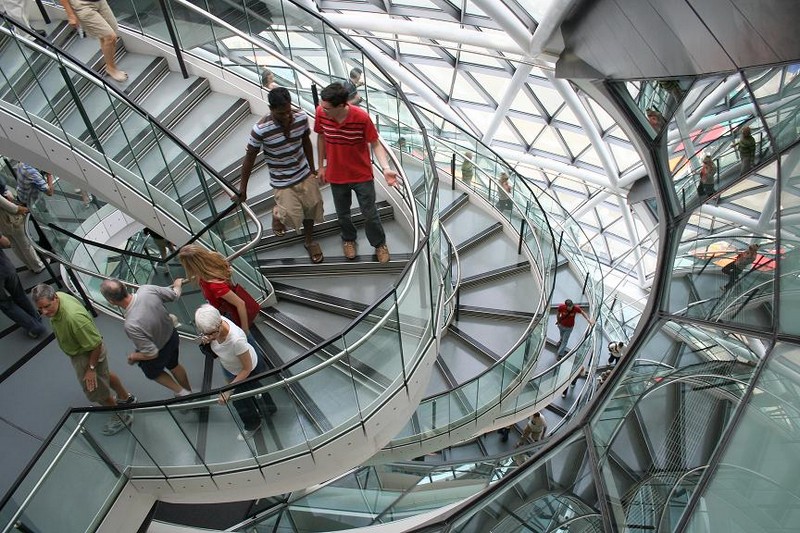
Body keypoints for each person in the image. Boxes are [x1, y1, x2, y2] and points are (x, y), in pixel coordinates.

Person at [32, 284, 136, 435]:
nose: (45, 312)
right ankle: (126, 398)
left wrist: (90, 369)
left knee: (97, 391)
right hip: (85, 348)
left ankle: (122, 416)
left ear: (55, 298)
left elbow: (96, 344)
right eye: (40, 309)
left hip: (87, 354)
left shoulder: (74, 318)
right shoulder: (60, 297)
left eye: (47, 306)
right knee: (104, 374)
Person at [239, 87, 324, 263]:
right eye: (280, 114)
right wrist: (243, 189)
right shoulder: (260, 129)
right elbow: (249, 158)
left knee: (312, 207)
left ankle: (309, 241)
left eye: (287, 111)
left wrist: (312, 168)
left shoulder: (300, 117)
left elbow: (306, 142)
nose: (286, 116)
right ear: (271, 109)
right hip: (282, 181)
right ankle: (277, 214)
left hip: (303, 173)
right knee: (291, 215)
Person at [314, 82, 397, 263]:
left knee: (370, 213)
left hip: (361, 175)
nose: (321, 109)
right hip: (337, 174)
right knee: (342, 212)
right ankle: (348, 239)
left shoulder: (361, 117)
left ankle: (379, 244)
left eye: (327, 108)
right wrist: (321, 165)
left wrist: (385, 168)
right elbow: (321, 137)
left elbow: (375, 143)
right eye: (322, 105)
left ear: (341, 105)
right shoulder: (321, 112)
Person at [100, 278, 193, 397]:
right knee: (174, 365)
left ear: (111, 301)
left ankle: (182, 392)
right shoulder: (146, 290)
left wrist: (134, 356)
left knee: (152, 373)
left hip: (160, 350)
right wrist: (177, 284)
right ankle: (189, 391)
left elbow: (152, 353)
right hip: (172, 336)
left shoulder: (131, 324)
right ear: (124, 286)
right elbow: (174, 295)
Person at [195, 304, 275, 440]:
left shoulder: (236, 340)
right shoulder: (215, 324)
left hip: (247, 369)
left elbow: (247, 368)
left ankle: (252, 424)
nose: (208, 337)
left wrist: (229, 390)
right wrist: (206, 340)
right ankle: (269, 408)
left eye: (210, 333)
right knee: (253, 388)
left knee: (239, 400)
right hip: (232, 366)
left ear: (219, 325)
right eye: (204, 333)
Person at [59, 0, 127, 82]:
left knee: (109, 33)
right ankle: (111, 68)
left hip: (100, 2)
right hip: (83, 5)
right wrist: (71, 14)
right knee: (110, 37)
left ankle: (110, 64)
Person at [0, 235, 45, 337]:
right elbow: (6, 243)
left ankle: (34, 327)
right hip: (6, 267)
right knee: (19, 293)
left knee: (4, 303)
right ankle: (35, 316)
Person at [0, 193, 44, 273]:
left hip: (3, 225)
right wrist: (27, 209)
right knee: (26, 244)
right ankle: (38, 265)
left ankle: (30, 265)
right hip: (13, 222)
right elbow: (13, 208)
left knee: (15, 246)